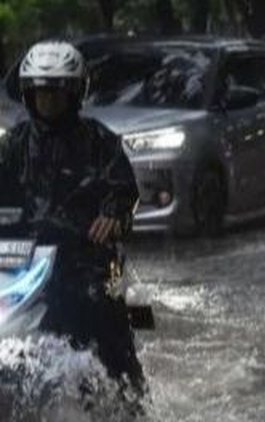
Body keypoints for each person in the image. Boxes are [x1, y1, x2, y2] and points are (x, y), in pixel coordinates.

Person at [0, 41, 145, 396]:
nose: (48, 101)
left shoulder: (99, 142)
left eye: (56, 94)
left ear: (74, 94)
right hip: (19, 259)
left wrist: (113, 212)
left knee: (103, 314)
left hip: (85, 261)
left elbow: (124, 190)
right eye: (40, 93)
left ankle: (130, 398)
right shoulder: (13, 144)